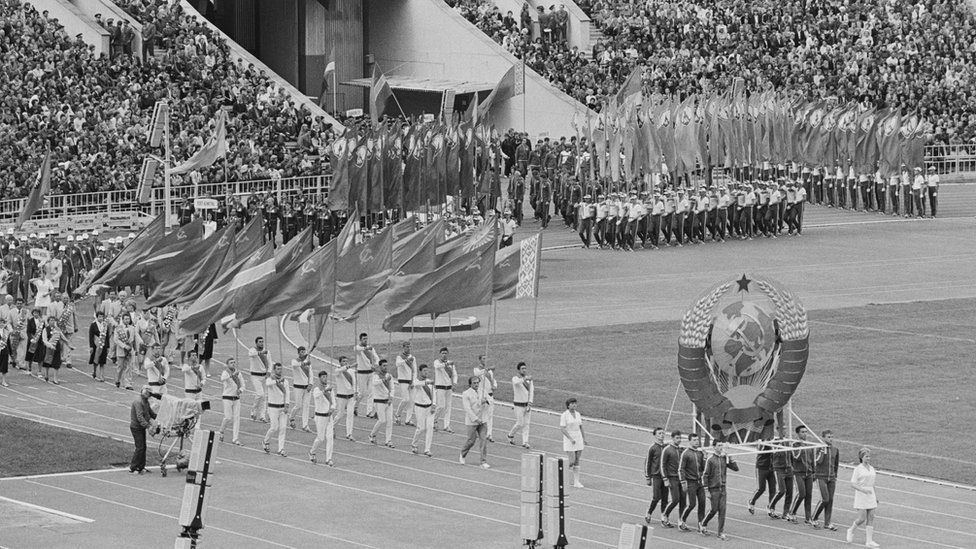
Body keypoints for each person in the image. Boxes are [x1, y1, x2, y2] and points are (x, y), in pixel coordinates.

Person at [702, 442, 739, 540]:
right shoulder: (710, 460)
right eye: (718, 446)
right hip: (713, 489)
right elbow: (705, 476)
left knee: (722, 510)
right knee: (714, 510)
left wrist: (731, 458)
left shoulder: (723, 458)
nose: (721, 447)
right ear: (714, 447)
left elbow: (736, 468)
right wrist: (706, 490)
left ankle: (720, 532)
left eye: (721, 445)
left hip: (722, 489)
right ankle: (704, 523)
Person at [847, 447, 880, 547]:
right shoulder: (858, 469)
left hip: (871, 494)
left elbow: (873, 484)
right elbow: (853, 484)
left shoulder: (872, 468)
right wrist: (863, 490)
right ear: (861, 457)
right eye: (866, 456)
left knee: (871, 517)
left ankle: (869, 541)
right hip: (862, 494)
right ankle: (851, 530)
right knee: (861, 518)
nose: (868, 458)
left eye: (869, 456)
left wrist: (875, 496)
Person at [459, 376, 490, 469]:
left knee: (483, 440)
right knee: (471, 441)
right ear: (470, 384)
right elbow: (468, 409)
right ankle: (463, 453)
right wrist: (476, 419)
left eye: (477, 383)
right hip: (472, 421)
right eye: (474, 383)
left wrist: (486, 402)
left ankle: (483, 461)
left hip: (483, 420)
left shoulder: (483, 391)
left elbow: (489, 403)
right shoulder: (466, 394)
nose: (476, 385)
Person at [679, 433, 707, 534]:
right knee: (692, 504)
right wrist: (683, 482)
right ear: (689, 441)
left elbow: (703, 468)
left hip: (700, 483)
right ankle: (682, 520)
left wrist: (705, 457)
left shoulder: (700, 453)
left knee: (702, 503)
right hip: (690, 482)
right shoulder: (685, 453)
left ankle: (701, 524)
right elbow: (681, 469)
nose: (697, 442)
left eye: (698, 440)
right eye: (694, 440)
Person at [812, 429, 840, 530]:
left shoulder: (835, 449)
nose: (831, 439)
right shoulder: (819, 448)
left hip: (831, 478)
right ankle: (814, 518)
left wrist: (835, 476)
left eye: (832, 437)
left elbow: (836, 464)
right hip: (821, 477)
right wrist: (822, 452)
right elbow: (817, 461)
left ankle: (827, 523)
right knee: (825, 499)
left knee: (830, 500)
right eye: (828, 437)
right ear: (823, 438)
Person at [263, 362, 290, 457]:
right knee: (274, 427)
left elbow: (287, 393)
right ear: (274, 370)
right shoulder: (270, 379)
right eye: (278, 369)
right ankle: (266, 441)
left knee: (283, 428)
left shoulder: (285, 381)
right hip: (272, 407)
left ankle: (281, 448)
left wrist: (287, 405)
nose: (280, 370)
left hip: (282, 407)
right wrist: (277, 381)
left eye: (281, 369)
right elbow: (268, 384)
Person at [643, 427, 670, 525]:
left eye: (663, 433)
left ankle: (664, 515)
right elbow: (648, 462)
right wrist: (647, 477)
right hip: (656, 475)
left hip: (666, 476)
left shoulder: (667, 447)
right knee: (656, 497)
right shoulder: (653, 448)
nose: (661, 435)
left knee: (665, 498)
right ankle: (649, 512)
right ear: (655, 435)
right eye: (659, 433)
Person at [309, 370, 335, 466]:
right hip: (320, 416)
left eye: (326, 377)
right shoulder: (317, 389)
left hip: (328, 417)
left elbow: (333, 402)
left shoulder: (329, 388)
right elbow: (317, 396)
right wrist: (325, 391)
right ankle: (312, 451)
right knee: (320, 438)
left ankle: (328, 458)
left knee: (330, 437)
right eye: (323, 377)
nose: (325, 378)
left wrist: (332, 409)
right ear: (319, 378)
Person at [410, 363, 437, 457]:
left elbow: (434, 394)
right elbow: (417, 384)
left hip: (429, 407)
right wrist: (427, 383)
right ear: (420, 371)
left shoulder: (430, 382)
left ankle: (427, 449)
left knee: (430, 428)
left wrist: (434, 405)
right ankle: (414, 444)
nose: (426, 372)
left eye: (427, 370)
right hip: (419, 407)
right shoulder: (416, 381)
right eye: (424, 371)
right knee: (421, 428)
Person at [129, 385, 157, 474]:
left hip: (141, 427)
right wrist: (148, 426)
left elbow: (151, 413)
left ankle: (141, 466)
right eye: (149, 393)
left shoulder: (146, 402)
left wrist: (160, 418)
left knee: (143, 447)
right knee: (140, 447)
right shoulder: (138, 402)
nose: (150, 395)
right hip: (136, 427)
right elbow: (140, 417)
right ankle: (133, 467)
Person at [769, 429, 795, 522]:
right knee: (782, 490)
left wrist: (792, 466)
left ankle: (786, 513)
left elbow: (792, 455)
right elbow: (773, 453)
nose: (784, 431)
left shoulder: (788, 441)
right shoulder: (775, 442)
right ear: (777, 430)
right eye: (782, 429)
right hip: (779, 469)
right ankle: (770, 506)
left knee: (790, 492)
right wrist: (778, 447)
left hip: (789, 469)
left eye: (785, 429)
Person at [368, 359, 395, 448]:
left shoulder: (389, 376)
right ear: (380, 366)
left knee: (389, 421)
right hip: (379, 401)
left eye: (387, 365)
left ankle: (388, 440)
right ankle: (372, 434)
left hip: (388, 401)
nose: (386, 367)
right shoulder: (376, 376)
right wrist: (384, 379)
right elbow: (375, 383)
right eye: (384, 366)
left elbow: (392, 388)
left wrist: (391, 397)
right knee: (382, 420)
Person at [560, 397, 586, 488]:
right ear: (568, 405)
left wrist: (583, 438)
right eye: (572, 403)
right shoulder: (564, 415)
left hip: (578, 438)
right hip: (569, 439)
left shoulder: (578, 414)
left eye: (575, 403)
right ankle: (560, 476)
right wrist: (570, 438)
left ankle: (576, 481)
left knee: (577, 460)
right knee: (571, 461)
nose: (574, 405)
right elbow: (562, 428)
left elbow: (581, 427)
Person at [660, 430, 684, 527]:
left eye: (680, 438)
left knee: (683, 500)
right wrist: (665, 479)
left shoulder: (681, 450)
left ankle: (681, 520)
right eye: (677, 438)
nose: (679, 440)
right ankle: (665, 515)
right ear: (672, 438)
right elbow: (662, 465)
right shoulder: (667, 449)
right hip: (672, 478)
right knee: (675, 499)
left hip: (681, 478)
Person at [506, 361, 533, 448]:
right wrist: (525, 379)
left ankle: (525, 441)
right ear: (518, 370)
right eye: (522, 369)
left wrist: (530, 402)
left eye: (525, 368)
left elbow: (531, 391)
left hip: (526, 405)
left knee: (526, 424)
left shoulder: (529, 380)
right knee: (520, 423)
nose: (524, 370)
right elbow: (516, 383)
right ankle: (510, 434)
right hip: (518, 405)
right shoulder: (515, 378)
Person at [218, 357, 244, 445]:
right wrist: (232, 375)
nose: (233, 364)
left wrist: (240, 390)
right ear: (228, 365)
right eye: (231, 363)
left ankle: (235, 438)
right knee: (228, 417)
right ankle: (221, 431)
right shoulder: (225, 372)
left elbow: (243, 385)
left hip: (236, 398)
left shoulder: (238, 374)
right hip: (227, 397)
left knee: (237, 418)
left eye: (234, 362)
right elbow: (223, 379)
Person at [331, 355, 358, 441]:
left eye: (346, 361)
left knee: (350, 415)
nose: (345, 363)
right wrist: (348, 366)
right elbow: (340, 370)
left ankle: (349, 434)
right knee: (340, 414)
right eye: (343, 361)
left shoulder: (351, 371)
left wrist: (356, 392)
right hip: (341, 396)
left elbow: (354, 382)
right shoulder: (337, 371)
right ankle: (332, 427)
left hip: (350, 396)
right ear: (340, 362)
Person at [471, 354, 497, 441]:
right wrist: (487, 369)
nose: (485, 360)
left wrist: (495, 386)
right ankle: (476, 431)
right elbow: (477, 374)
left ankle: (489, 434)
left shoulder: (489, 372)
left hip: (490, 395)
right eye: (483, 358)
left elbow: (493, 380)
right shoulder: (477, 370)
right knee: (480, 414)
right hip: (482, 395)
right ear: (480, 360)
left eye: (486, 358)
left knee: (490, 415)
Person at [354, 332, 379, 418]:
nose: (365, 340)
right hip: (361, 373)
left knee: (371, 392)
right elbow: (358, 348)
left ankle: (369, 412)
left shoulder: (371, 349)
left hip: (370, 373)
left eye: (366, 339)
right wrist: (366, 348)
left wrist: (376, 364)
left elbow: (376, 357)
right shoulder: (358, 348)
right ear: (360, 340)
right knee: (363, 393)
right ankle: (355, 406)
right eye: (364, 339)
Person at [748, 440, 777, 516]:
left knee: (773, 490)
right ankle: (752, 501)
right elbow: (762, 451)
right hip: (761, 468)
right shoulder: (761, 443)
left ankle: (771, 508)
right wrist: (771, 446)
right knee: (761, 488)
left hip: (771, 468)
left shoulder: (774, 441)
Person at [433, 346, 457, 433]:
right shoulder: (437, 362)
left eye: (446, 353)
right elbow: (437, 366)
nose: (444, 355)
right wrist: (447, 364)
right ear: (440, 354)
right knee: (441, 406)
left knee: (448, 407)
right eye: (442, 353)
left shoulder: (450, 364)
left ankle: (446, 425)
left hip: (448, 387)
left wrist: (454, 383)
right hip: (440, 387)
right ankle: (434, 420)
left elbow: (454, 374)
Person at [288, 346, 312, 432]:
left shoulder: (307, 362)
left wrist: (310, 384)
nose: (303, 353)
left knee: (306, 406)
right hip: (298, 387)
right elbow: (295, 365)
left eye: (304, 351)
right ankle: (291, 417)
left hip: (307, 387)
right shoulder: (295, 361)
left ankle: (305, 425)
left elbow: (311, 374)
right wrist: (304, 363)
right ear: (298, 353)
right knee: (298, 406)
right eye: (301, 352)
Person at [394, 341, 417, 426]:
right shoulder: (400, 357)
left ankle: (408, 419)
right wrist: (406, 360)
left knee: (412, 401)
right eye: (407, 347)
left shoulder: (413, 358)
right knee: (405, 399)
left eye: (410, 347)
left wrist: (413, 381)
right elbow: (397, 364)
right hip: (403, 380)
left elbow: (415, 370)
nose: (408, 348)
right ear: (403, 347)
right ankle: (397, 414)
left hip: (411, 381)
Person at [248, 336, 270, 423]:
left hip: (264, 376)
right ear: (256, 343)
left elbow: (270, 362)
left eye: (262, 342)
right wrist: (260, 352)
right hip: (255, 375)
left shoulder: (266, 351)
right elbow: (251, 354)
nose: (261, 343)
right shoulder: (253, 350)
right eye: (260, 342)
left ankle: (262, 415)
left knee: (264, 396)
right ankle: (253, 411)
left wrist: (269, 371)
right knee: (260, 394)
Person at [40, 316, 64, 384]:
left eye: (54, 320)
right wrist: (49, 345)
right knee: (47, 362)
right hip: (48, 349)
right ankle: (46, 374)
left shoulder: (58, 329)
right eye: (51, 320)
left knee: (56, 363)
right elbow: (44, 340)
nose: (52, 322)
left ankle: (55, 378)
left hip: (57, 348)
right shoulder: (45, 329)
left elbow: (62, 337)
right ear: (48, 321)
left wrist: (68, 345)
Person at [88, 310, 109, 381]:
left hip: (103, 344)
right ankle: (94, 371)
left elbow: (107, 336)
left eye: (102, 317)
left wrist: (108, 346)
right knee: (95, 359)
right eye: (99, 316)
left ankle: (101, 375)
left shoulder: (105, 325)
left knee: (102, 361)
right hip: (95, 344)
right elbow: (91, 336)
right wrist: (91, 346)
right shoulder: (93, 325)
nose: (101, 318)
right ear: (97, 317)